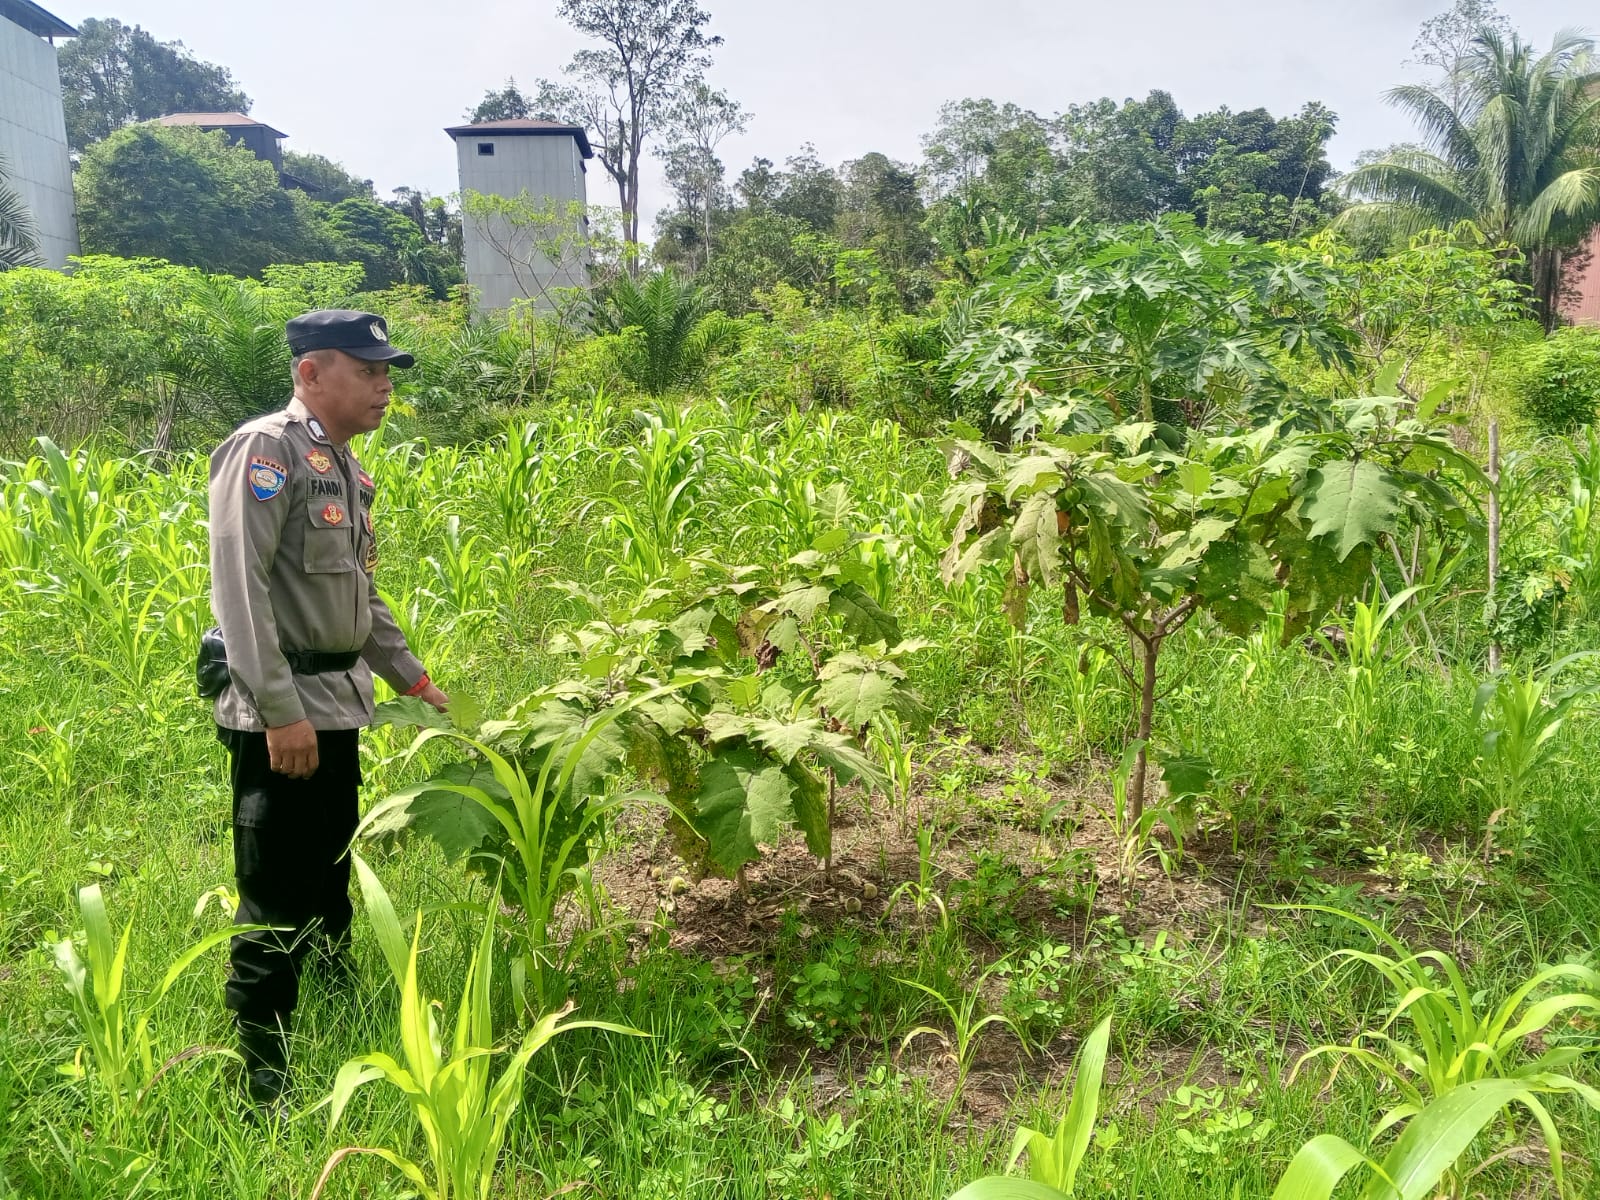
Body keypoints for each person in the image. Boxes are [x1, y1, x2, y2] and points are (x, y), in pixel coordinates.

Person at [207, 309, 449, 1112]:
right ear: (312, 373)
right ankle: (263, 1076)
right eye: (368, 370)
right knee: (274, 890)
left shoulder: (342, 466)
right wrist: (279, 712)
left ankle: (336, 1005)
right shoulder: (266, 452)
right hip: (283, 712)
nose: (384, 386)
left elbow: (359, 594)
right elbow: (239, 592)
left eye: (387, 372)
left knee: (331, 868)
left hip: (339, 707)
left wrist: (412, 679)